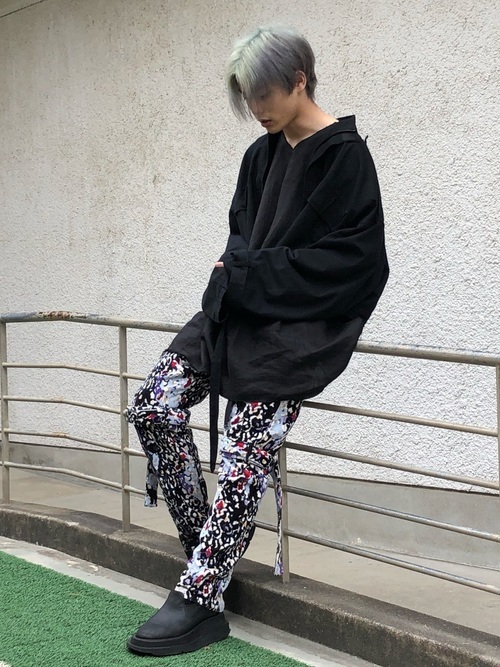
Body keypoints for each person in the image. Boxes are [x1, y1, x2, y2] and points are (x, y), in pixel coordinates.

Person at [126, 25, 389, 657]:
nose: (256, 108)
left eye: (264, 93)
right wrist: (234, 276)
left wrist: (249, 273)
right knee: (154, 405)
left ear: (300, 80)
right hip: (236, 312)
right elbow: (239, 236)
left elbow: (356, 265)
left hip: (298, 331)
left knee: (248, 444)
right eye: (247, 97)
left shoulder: (346, 158)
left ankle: (199, 598)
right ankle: (207, 553)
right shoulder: (259, 155)